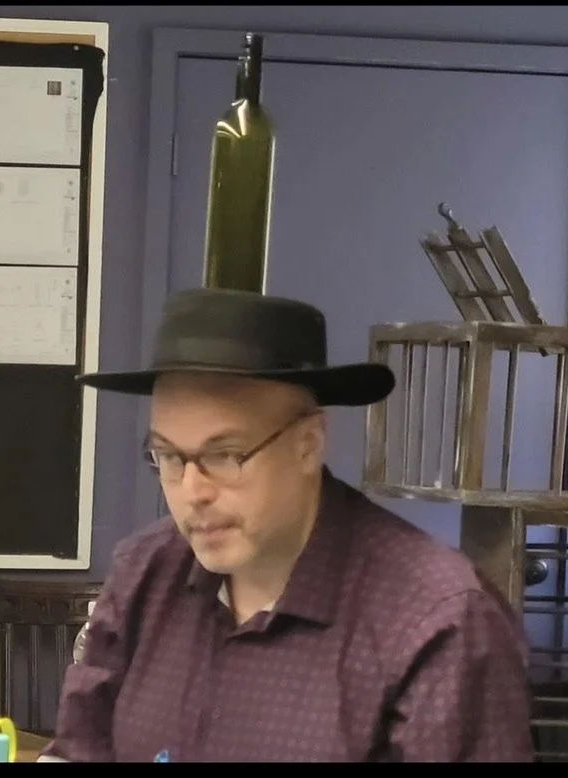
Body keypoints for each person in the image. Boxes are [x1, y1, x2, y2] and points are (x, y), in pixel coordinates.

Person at [42, 288, 535, 763]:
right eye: (169, 456)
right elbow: (77, 750)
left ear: (308, 443)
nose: (192, 492)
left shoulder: (437, 621)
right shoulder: (144, 573)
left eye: (225, 455)